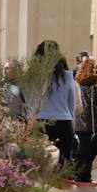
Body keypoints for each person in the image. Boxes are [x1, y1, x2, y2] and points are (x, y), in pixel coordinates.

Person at [33, 40, 75, 168]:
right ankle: (62, 185)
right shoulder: (67, 76)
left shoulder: (33, 76)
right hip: (63, 121)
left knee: (40, 160)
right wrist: (70, 118)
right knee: (63, 160)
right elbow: (71, 101)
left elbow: (30, 102)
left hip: (41, 121)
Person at [72, 55, 97, 183]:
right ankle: (85, 181)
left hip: (76, 127)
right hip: (91, 129)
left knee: (77, 157)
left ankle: (75, 180)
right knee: (88, 159)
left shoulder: (76, 87)